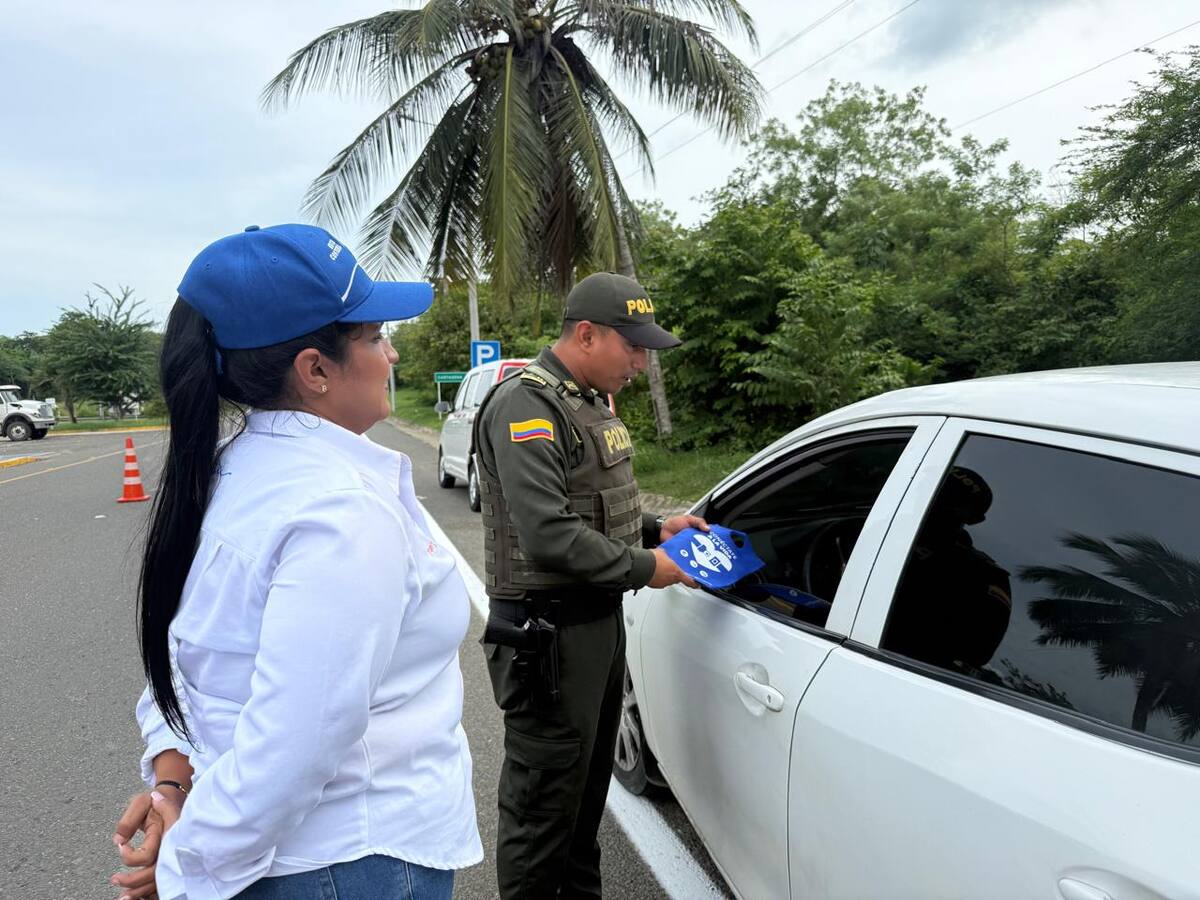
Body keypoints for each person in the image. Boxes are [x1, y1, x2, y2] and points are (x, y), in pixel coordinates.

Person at [109, 224, 482, 900]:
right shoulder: (338, 510)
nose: (392, 353)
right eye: (375, 337)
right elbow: (297, 744)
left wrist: (173, 783)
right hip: (354, 864)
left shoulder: (231, 472)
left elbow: (194, 660)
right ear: (315, 370)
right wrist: (188, 863)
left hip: (296, 859)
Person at [472, 271, 705, 899]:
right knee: (542, 812)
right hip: (548, 636)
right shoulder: (527, 404)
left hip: (594, 626)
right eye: (632, 347)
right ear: (585, 335)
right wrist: (648, 567)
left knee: (581, 804)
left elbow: (589, 502)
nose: (640, 363)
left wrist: (656, 528)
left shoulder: (585, 400)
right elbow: (549, 533)